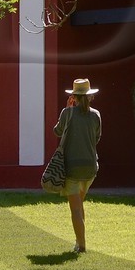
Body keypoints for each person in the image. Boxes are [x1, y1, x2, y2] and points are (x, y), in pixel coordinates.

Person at [54, 77, 101, 253]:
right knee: (80, 204)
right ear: (89, 97)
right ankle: (78, 241)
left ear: (74, 96)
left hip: (71, 167)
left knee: (75, 208)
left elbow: (57, 131)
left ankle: (81, 245)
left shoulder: (68, 113)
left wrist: (67, 109)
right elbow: (97, 137)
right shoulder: (96, 115)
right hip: (90, 166)